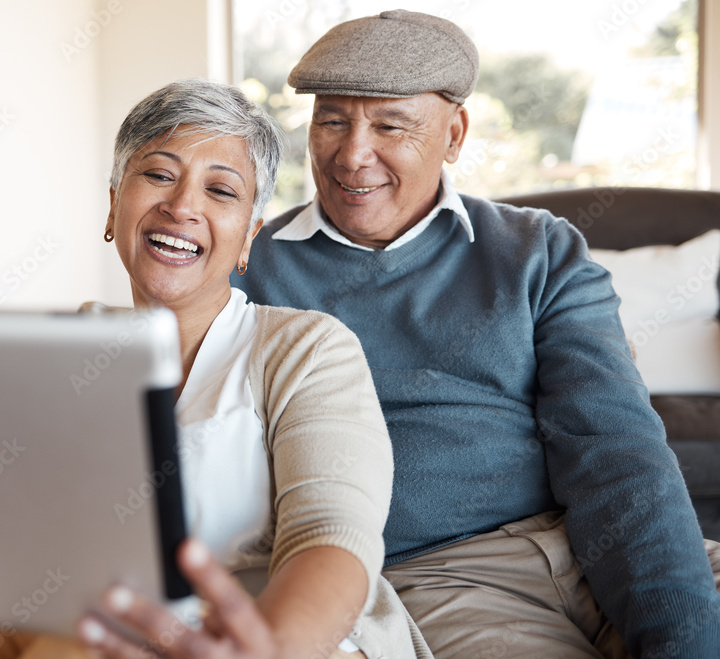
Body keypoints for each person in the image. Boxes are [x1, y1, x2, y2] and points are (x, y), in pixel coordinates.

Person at [0, 79, 428, 659]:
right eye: (158, 174)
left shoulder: (306, 348)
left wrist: (266, 647)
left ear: (250, 233)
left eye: (220, 190)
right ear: (113, 207)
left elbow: (332, 537)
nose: (181, 205)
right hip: (88, 624)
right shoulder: (41, 356)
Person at [230, 9, 720, 659]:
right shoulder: (249, 264)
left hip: (589, 537)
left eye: (389, 124)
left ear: (454, 133)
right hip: (443, 573)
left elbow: (616, 445)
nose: (352, 154)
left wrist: (680, 632)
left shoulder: (540, 250)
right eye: (331, 120)